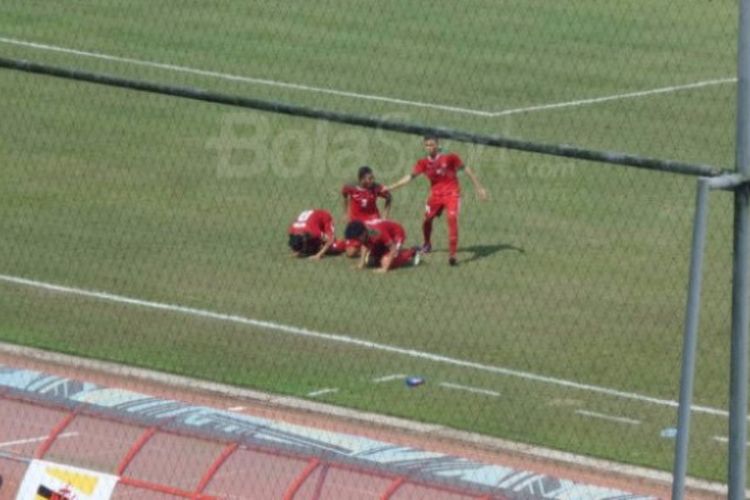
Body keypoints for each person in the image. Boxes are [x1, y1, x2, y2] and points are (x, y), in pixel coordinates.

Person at [387, 135, 488, 266]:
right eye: (427, 145)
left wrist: (479, 187)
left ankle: (452, 255)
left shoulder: (450, 157)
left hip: (452, 194)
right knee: (427, 220)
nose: (429, 147)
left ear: (438, 145)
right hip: (435, 196)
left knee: (452, 219)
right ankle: (427, 244)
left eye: (432, 144)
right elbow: (410, 177)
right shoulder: (423, 163)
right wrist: (392, 186)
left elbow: (466, 169)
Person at [341, 166, 392, 257]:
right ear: (361, 179)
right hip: (356, 224)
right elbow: (345, 195)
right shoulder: (350, 187)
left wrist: (385, 216)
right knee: (350, 253)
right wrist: (345, 213)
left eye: (373, 178)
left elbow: (389, 197)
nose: (372, 180)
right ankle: (368, 250)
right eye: (370, 178)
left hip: (372, 222)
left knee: (383, 245)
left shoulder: (376, 188)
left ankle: (372, 249)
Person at [344, 219, 420, 273]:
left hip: (396, 234)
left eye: (357, 238)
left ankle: (412, 252)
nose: (357, 241)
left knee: (386, 261)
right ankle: (387, 253)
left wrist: (385, 268)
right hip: (384, 238)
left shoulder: (377, 232)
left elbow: (392, 248)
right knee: (371, 261)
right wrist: (361, 264)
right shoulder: (365, 231)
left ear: (363, 232)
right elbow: (364, 245)